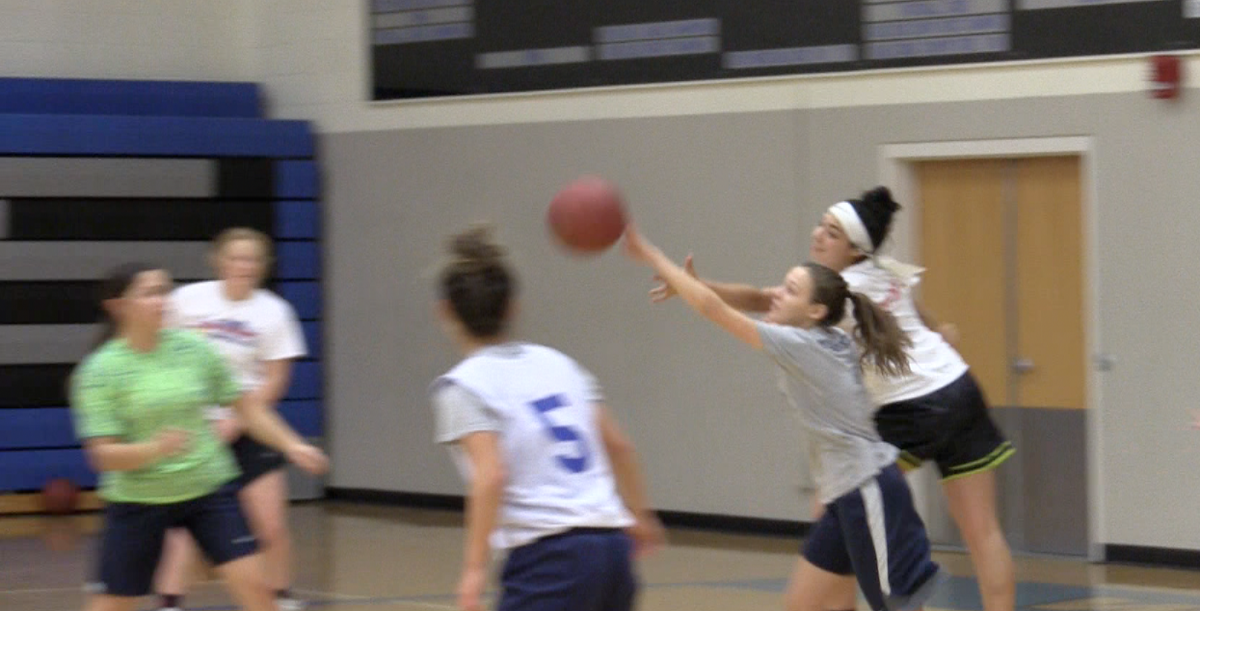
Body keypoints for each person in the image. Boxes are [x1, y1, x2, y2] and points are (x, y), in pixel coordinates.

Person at [649, 186, 1016, 610]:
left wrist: (692, 285)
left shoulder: (834, 297)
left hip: (910, 407)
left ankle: (845, 601)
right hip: (960, 388)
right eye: (821, 225)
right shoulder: (884, 271)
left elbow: (760, 299)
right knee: (982, 531)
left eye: (833, 232)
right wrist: (940, 333)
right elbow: (919, 315)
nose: (819, 235)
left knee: (841, 500)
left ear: (855, 250)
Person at [625, 224, 946, 611]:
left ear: (816, 311)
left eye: (790, 290)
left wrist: (653, 256)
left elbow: (714, 310)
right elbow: (749, 300)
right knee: (804, 605)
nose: (777, 294)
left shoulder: (802, 345)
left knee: (899, 608)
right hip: (844, 494)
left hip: (868, 491)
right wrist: (690, 284)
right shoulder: (825, 335)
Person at [430, 226, 665, 611]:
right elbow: (619, 446)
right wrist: (641, 516)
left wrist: (473, 568)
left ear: (445, 311)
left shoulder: (463, 386)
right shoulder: (561, 365)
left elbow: (491, 475)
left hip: (550, 559)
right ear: (513, 307)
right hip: (612, 548)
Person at [70, 263, 328, 611]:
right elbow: (102, 456)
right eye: (149, 293)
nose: (162, 300)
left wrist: (291, 444)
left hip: (208, 488)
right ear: (118, 306)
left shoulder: (194, 349)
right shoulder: (100, 371)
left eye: (164, 291)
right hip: (138, 499)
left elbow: (246, 407)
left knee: (256, 588)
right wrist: (155, 449)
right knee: (113, 603)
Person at [152, 228, 310, 611]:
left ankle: (280, 596)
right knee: (184, 524)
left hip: (251, 425)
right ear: (218, 261)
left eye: (252, 259)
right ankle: (170, 601)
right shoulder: (186, 301)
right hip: (194, 426)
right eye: (236, 257)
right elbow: (160, 354)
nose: (244, 265)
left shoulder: (274, 312)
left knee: (270, 523)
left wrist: (239, 419)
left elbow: (276, 379)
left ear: (263, 266)